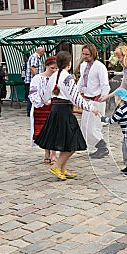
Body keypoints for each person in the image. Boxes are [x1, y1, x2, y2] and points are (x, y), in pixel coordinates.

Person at [35, 51, 99, 181]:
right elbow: (76, 99)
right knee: (73, 142)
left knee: (65, 141)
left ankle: (62, 169)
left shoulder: (53, 76)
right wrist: (91, 108)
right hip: (64, 111)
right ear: (69, 64)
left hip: (55, 109)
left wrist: (46, 102)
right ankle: (57, 166)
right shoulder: (68, 78)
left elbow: (46, 96)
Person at [77, 44, 110, 159]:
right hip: (87, 100)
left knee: (94, 126)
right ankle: (97, 147)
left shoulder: (99, 67)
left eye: (87, 54)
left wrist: (104, 96)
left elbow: (105, 84)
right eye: (83, 54)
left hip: (97, 100)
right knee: (85, 126)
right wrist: (76, 93)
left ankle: (103, 147)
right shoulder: (83, 66)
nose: (85, 56)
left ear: (93, 54)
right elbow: (82, 80)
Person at [99, 88, 127, 176]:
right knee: (125, 151)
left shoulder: (121, 110)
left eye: (115, 98)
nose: (115, 100)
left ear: (119, 98)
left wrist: (101, 117)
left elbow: (112, 121)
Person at [28, 56, 58, 164]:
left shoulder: (57, 78)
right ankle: (47, 152)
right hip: (41, 108)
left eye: (56, 68)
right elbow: (33, 93)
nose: (54, 70)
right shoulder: (37, 78)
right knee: (44, 130)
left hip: (54, 106)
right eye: (52, 68)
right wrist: (41, 102)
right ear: (46, 66)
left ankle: (54, 154)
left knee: (54, 130)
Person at [25, 47, 46, 117]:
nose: (44, 54)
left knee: (33, 94)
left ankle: (31, 110)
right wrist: (37, 77)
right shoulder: (35, 57)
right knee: (32, 95)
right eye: (44, 52)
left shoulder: (36, 57)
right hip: (32, 80)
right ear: (41, 52)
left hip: (33, 80)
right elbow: (32, 67)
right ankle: (29, 111)